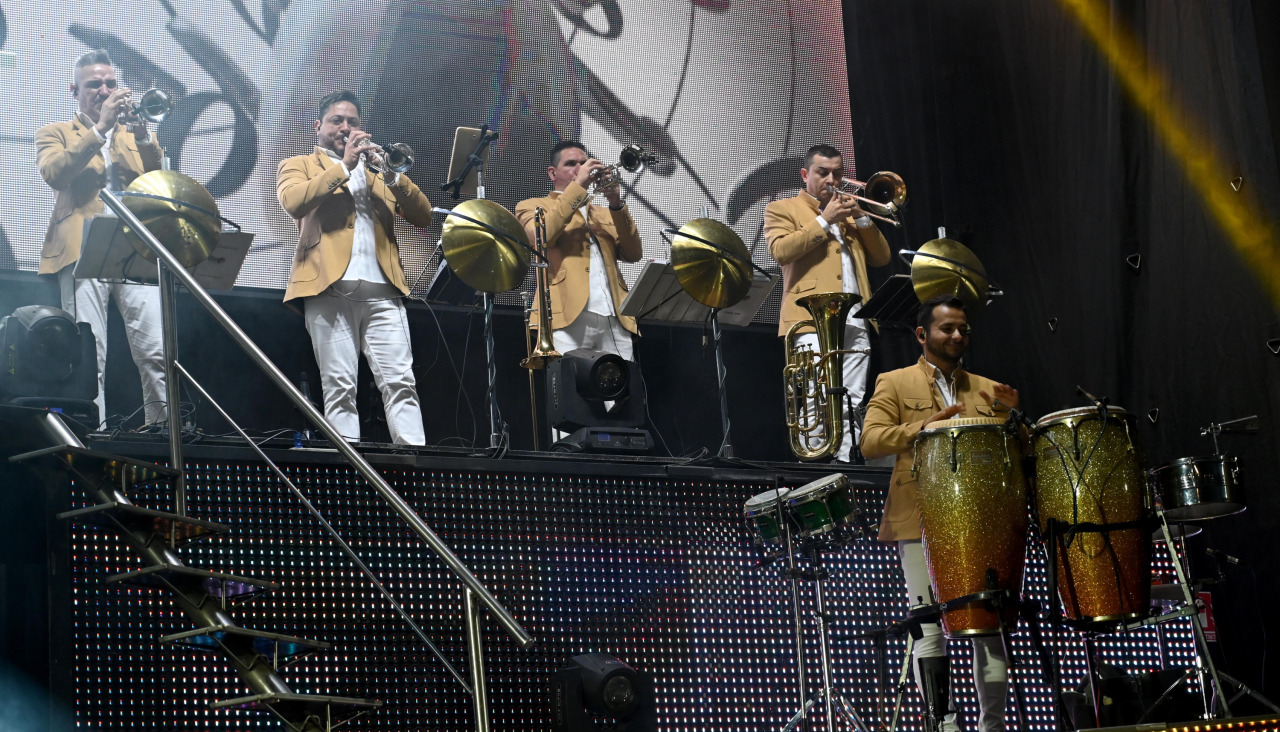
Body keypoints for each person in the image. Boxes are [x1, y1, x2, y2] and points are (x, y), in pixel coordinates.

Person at [861, 295, 1019, 732]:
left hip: (982, 521)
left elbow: (1015, 450)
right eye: (947, 328)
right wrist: (922, 427)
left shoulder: (988, 387)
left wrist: (1013, 418)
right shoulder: (894, 382)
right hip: (920, 518)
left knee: (989, 627)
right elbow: (870, 441)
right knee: (928, 627)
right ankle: (943, 726)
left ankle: (993, 728)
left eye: (963, 329)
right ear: (922, 334)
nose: (957, 335)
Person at [277, 90, 434, 445]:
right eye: (336, 121)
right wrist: (344, 167)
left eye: (352, 122)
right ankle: (347, 465)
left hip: (383, 291)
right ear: (318, 126)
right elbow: (294, 202)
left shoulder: (379, 172)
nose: (345, 127)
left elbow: (424, 215)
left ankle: (414, 460)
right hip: (328, 288)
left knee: (401, 381)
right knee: (339, 385)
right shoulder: (298, 164)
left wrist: (391, 174)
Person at [35, 49, 167, 429]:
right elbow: (55, 173)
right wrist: (100, 130)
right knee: (89, 354)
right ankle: (95, 434)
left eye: (110, 83)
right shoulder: (55, 133)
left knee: (156, 350)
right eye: (94, 84)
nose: (105, 91)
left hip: (134, 247)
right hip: (82, 249)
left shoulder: (133, 134)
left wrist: (142, 135)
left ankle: (162, 430)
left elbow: (158, 177)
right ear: (74, 91)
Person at [765, 144, 892, 461]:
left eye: (837, 173)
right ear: (805, 174)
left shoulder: (851, 215)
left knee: (853, 400)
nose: (832, 180)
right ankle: (815, 465)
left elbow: (882, 257)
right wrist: (824, 220)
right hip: (810, 320)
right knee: (815, 397)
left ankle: (846, 466)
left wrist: (861, 216)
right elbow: (781, 251)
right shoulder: (783, 209)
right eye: (823, 173)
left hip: (856, 319)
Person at [514, 140, 643, 363]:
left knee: (620, 384)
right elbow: (542, 237)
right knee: (571, 383)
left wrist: (615, 203)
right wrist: (578, 187)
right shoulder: (533, 206)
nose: (580, 168)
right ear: (552, 173)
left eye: (584, 163)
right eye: (571, 163)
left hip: (615, 317)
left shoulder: (604, 213)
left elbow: (633, 254)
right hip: (566, 316)